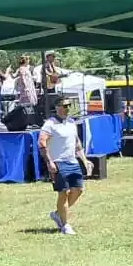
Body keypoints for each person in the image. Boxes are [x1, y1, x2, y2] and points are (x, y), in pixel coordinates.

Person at [39, 97, 92, 236]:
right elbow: (42, 143)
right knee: (64, 192)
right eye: (64, 105)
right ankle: (65, 225)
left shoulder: (71, 122)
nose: (67, 108)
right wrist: (49, 162)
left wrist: (85, 160)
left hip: (72, 161)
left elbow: (77, 143)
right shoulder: (50, 124)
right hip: (58, 162)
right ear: (57, 107)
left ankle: (58, 214)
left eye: (69, 105)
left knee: (79, 189)